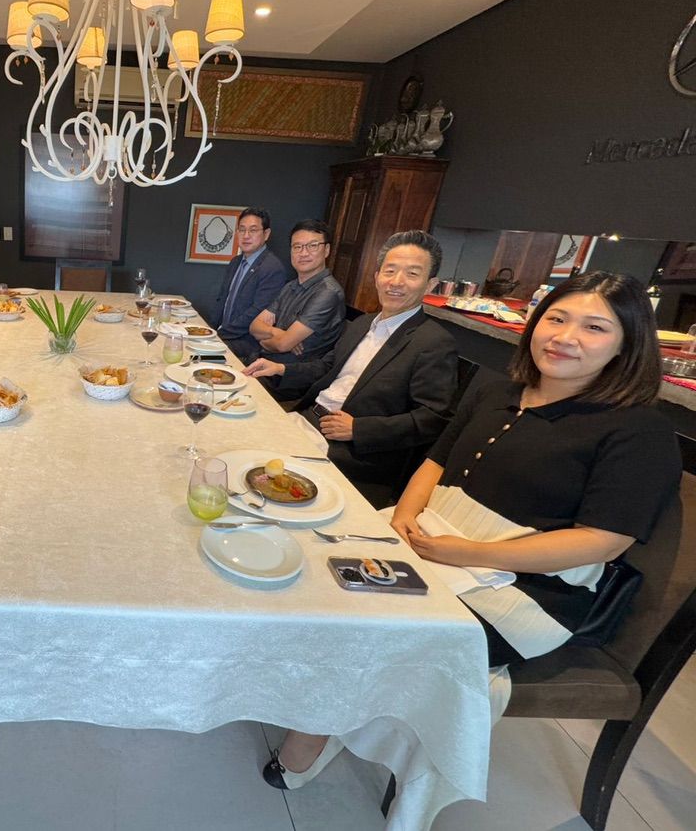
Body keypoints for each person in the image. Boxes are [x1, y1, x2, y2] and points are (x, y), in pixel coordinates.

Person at [261, 271, 681, 792]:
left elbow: (603, 540)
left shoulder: (638, 431)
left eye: (594, 327)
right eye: (556, 318)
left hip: (530, 588)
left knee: (368, 627)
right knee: (316, 572)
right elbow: (436, 461)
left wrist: (466, 552)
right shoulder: (500, 391)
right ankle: (316, 698)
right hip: (434, 539)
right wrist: (402, 516)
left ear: (627, 344)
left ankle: (314, 734)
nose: (565, 337)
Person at [244, 230, 457, 507]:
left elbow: (433, 419)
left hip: (348, 451)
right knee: (241, 442)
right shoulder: (362, 323)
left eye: (412, 274)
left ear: (430, 285)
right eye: (390, 271)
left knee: (253, 478)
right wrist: (280, 369)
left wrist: (359, 429)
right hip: (308, 420)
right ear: (376, 276)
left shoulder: (434, 342)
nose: (396, 282)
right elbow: (327, 367)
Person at [247, 219, 345, 366]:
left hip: (288, 374)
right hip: (262, 363)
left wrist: (265, 341)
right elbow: (254, 326)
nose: (303, 253)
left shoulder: (328, 293)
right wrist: (278, 333)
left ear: (326, 250)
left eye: (312, 246)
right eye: (297, 247)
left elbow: (283, 345)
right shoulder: (290, 286)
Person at [208, 207, 288, 361]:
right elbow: (222, 300)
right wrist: (210, 330)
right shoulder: (235, 262)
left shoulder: (272, 268)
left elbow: (256, 312)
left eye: (253, 230)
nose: (246, 236)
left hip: (246, 344)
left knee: (194, 359)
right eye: (242, 230)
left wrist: (220, 335)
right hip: (223, 336)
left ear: (266, 234)